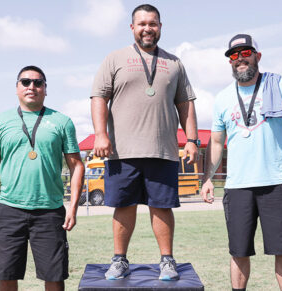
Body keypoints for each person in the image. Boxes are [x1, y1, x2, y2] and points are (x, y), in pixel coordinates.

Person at [90, 4, 199, 281]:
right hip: (121, 151)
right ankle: (119, 260)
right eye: (142, 24)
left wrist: (192, 140)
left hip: (162, 150)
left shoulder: (175, 63)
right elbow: (98, 98)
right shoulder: (114, 59)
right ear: (132, 28)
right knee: (123, 206)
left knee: (161, 206)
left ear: (160, 27)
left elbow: (185, 103)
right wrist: (101, 134)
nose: (147, 28)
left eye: (153, 23)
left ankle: (167, 261)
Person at [201, 34, 282, 291]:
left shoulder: (280, 85)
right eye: (234, 55)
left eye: (246, 53)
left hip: (278, 184)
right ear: (230, 62)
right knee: (239, 252)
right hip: (238, 187)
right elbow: (216, 143)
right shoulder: (223, 98)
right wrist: (207, 179)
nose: (240, 59)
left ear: (257, 56)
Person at [0, 65, 85, 291]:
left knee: (54, 275)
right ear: (17, 88)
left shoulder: (62, 122)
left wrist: (72, 207)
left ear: (45, 88)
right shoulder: (1, 121)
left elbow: (76, 166)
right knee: (5, 273)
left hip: (50, 210)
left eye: (37, 82)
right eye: (25, 82)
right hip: (9, 209)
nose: (31, 86)